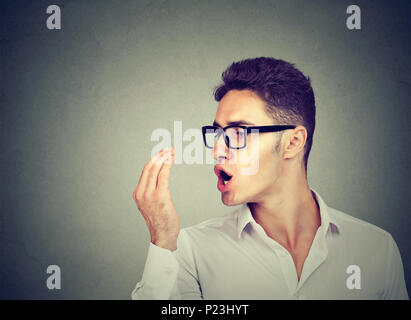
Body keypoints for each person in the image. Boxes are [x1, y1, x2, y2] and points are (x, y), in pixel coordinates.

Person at [131, 57, 408, 299]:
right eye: (217, 133)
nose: (217, 149)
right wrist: (162, 242)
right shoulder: (190, 250)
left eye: (239, 133)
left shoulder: (376, 251)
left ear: (293, 142)